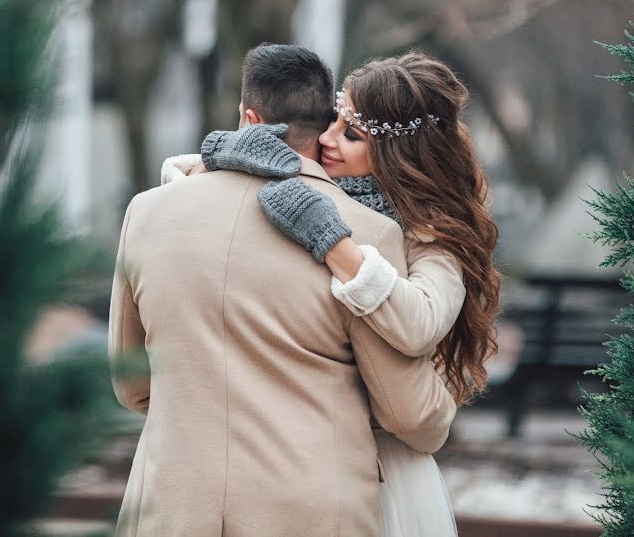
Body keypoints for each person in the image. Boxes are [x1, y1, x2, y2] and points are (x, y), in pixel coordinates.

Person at [109, 44, 457, 537]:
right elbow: (409, 412)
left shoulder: (145, 214)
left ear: (248, 118)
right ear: (323, 123)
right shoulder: (367, 235)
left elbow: (132, 383)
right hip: (312, 511)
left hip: (171, 506)